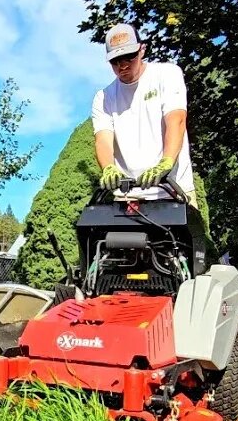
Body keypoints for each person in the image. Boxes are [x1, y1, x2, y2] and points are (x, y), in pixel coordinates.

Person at [91, 23, 214, 266]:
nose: (122, 65)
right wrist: (108, 168)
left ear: (142, 50)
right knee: (126, 267)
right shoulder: (104, 97)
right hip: (129, 197)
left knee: (185, 264)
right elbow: (103, 138)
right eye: (116, 61)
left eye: (128, 57)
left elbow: (176, 120)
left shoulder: (166, 75)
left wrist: (166, 162)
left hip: (173, 191)